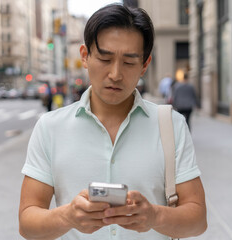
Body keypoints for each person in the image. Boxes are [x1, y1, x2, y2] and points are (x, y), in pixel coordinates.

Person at [19, 4, 207, 240]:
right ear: (85, 57)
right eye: (105, 58)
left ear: (144, 65)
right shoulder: (49, 127)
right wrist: (67, 216)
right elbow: (27, 223)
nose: (116, 74)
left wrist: (153, 217)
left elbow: (198, 220)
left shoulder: (171, 125)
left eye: (129, 62)